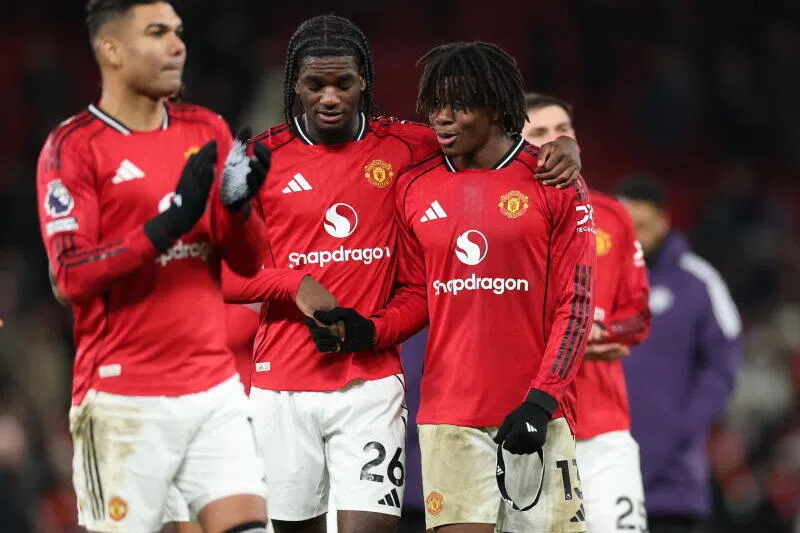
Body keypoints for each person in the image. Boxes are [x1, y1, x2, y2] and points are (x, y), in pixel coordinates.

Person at [221, 16, 583, 533]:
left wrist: (565, 147)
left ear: (365, 79)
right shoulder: (262, 158)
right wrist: (292, 284)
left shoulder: (410, 146)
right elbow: (220, 277)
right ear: (293, 86)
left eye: (343, 83)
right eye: (314, 84)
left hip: (370, 383)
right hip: (281, 385)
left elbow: (493, 134)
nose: (329, 97)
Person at [312, 41, 595, 533]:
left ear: (496, 107)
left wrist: (541, 400)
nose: (441, 118)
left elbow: (577, 303)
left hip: (535, 412)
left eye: (459, 105)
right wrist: (369, 331)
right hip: (449, 415)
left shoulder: (553, 179)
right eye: (435, 105)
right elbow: (419, 292)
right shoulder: (414, 186)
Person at [36, 1, 273, 531]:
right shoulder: (73, 148)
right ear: (112, 50)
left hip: (213, 390)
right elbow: (68, 275)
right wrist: (167, 225)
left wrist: (239, 211)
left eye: (179, 32)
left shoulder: (205, 128)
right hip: (123, 400)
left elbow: (249, 260)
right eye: (157, 33)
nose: (177, 45)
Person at [523, 94, 653, 533]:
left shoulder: (613, 216)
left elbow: (638, 315)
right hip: (531, 425)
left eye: (563, 129)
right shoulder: (503, 219)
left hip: (604, 427)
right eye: (539, 133)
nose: (555, 140)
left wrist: (601, 332)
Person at [616, 174, 742, 533]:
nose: (635, 235)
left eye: (643, 225)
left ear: (664, 221)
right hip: (599, 473)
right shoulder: (595, 279)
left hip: (672, 484)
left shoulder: (698, 282)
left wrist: (682, 426)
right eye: (627, 225)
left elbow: (724, 365)